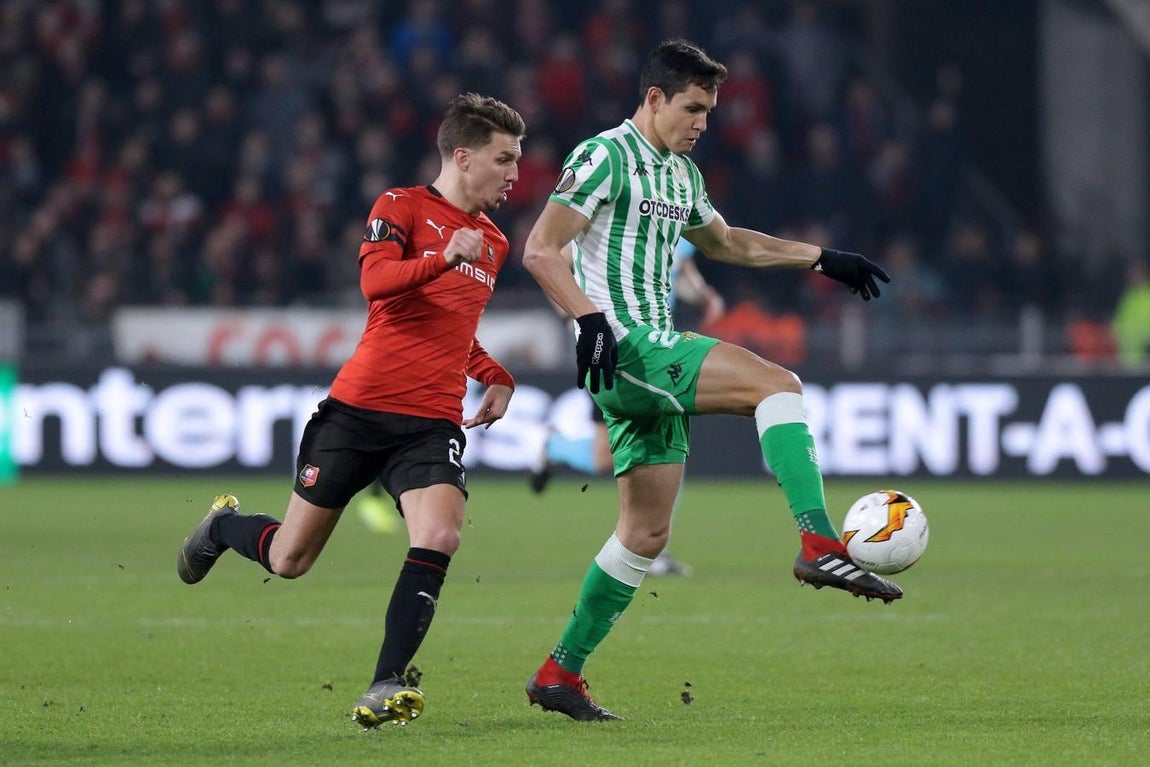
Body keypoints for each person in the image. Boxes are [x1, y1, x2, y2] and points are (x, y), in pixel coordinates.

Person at [520, 39, 899, 722]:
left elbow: (728, 242)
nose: (702, 123)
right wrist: (591, 322)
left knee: (644, 534)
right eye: (693, 108)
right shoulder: (603, 155)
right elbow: (541, 250)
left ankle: (559, 673)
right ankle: (819, 543)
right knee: (778, 384)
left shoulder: (681, 175)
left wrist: (821, 258)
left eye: (711, 111)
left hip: (644, 360)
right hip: (630, 346)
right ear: (655, 98)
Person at [176, 93, 526, 728]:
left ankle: (384, 682)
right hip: (358, 411)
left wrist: (494, 374)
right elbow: (377, 284)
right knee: (289, 560)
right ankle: (223, 529)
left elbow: (453, 329)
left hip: (431, 420)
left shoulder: (495, 243)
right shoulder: (400, 206)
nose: (514, 175)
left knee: (441, 534)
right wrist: (443, 256)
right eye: (504, 160)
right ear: (464, 156)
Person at [529, 238, 725, 577]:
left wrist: (704, 294)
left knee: (669, 445)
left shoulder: (673, 219)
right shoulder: (611, 221)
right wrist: (572, 309)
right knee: (605, 458)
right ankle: (554, 446)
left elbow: (683, 273)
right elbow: (553, 258)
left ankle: (652, 550)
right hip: (610, 347)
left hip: (659, 350)